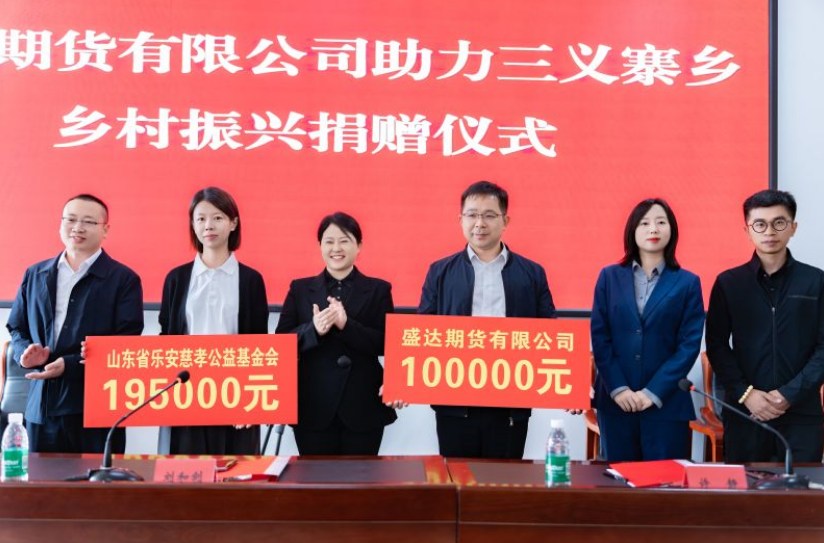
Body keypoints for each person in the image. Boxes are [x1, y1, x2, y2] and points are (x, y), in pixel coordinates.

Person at [418, 180, 555, 459]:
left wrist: (572, 385)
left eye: (489, 215)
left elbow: (549, 333)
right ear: (460, 219)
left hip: (511, 401)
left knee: (504, 479)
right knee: (457, 477)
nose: (479, 223)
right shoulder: (440, 272)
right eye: (472, 215)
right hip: (454, 401)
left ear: (505, 221)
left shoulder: (532, 273)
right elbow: (422, 332)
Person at [6, 194, 144, 453]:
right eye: (70, 220)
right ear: (60, 224)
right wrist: (26, 354)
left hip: (95, 408)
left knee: (98, 479)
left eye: (88, 221)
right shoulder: (35, 274)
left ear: (105, 229)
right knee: (41, 478)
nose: (77, 227)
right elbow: (17, 327)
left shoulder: (123, 279)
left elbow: (126, 343)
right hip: (42, 406)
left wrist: (69, 364)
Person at [706, 189, 824, 463]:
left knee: (801, 489)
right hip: (746, 413)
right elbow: (717, 345)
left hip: (801, 415)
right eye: (760, 224)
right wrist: (746, 394)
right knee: (746, 489)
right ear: (747, 230)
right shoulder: (729, 283)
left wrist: (788, 394)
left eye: (779, 223)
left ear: (793, 227)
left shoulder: (815, 281)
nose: (769, 231)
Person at [590, 198, 704, 461]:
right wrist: (619, 388)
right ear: (632, 230)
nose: (653, 229)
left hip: (666, 403)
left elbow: (688, 345)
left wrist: (652, 393)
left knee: (666, 482)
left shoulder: (687, 282)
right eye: (644, 223)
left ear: (671, 230)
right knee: (619, 479)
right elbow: (600, 337)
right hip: (616, 403)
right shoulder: (609, 277)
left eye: (661, 222)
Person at [275, 212, 398, 455]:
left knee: (362, 477)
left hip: (363, 404)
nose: (336, 248)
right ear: (320, 245)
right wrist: (314, 330)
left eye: (344, 241)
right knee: (315, 478)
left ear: (358, 245)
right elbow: (281, 344)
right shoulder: (300, 289)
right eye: (329, 241)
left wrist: (347, 325)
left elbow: (387, 344)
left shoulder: (379, 289)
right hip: (313, 404)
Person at [158, 187, 269, 455]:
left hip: (237, 397)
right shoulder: (176, 279)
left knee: (236, 473)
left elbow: (260, 344)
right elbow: (166, 339)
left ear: (233, 223)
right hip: (185, 395)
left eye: (217, 218)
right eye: (201, 219)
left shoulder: (251, 280)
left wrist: (252, 401)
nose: (208, 225)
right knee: (186, 471)